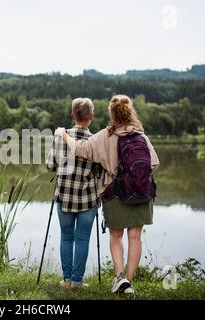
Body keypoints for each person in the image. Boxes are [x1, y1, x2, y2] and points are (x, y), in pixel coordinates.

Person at [55, 95, 159, 295]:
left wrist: (63, 134)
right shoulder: (141, 135)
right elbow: (153, 163)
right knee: (135, 236)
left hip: (115, 192)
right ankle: (129, 281)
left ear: (112, 113)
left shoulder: (105, 135)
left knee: (116, 235)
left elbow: (80, 149)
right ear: (130, 112)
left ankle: (120, 278)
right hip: (142, 192)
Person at [46, 98, 102, 288]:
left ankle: (67, 280)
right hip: (88, 198)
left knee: (66, 237)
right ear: (91, 117)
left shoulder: (60, 137)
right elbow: (101, 170)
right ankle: (77, 281)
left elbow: (50, 165)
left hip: (64, 196)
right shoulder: (96, 140)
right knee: (82, 239)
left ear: (73, 115)